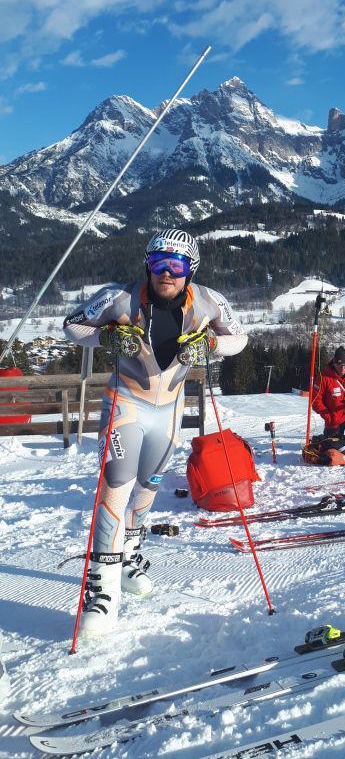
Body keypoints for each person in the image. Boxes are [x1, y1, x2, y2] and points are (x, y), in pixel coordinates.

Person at [63, 228, 247, 636]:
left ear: (190, 269)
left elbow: (240, 337)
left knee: (147, 488)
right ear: (148, 264)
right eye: (159, 263)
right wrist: (107, 335)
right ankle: (102, 591)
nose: (167, 273)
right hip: (126, 404)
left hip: (169, 411)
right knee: (117, 484)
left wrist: (212, 347)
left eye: (177, 265)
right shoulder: (120, 297)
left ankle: (127, 558)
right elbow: (71, 326)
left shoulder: (208, 301)